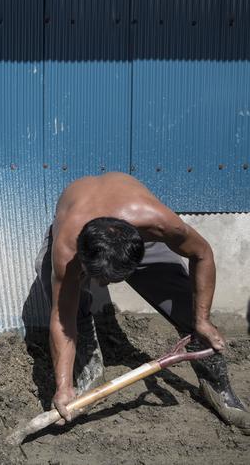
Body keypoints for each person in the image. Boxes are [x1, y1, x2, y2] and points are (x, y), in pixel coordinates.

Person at [33, 172, 249, 433]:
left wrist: (202, 319)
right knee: (67, 302)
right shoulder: (67, 245)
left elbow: (202, 254)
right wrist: (62, 385)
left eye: (110, 281)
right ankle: (87, 370)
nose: (102, 287)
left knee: (189, 311)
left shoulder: (159, 222)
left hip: (130, 232)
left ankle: (220, 391)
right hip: (79, 231)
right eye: (97, 278)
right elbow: (61, 318)